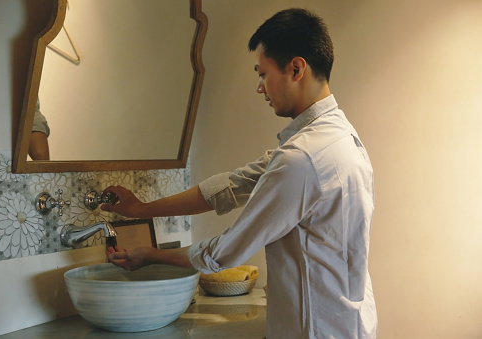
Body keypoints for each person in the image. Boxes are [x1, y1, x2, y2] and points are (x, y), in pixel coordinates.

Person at [103, 8, 377, 338]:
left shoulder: (302, 158)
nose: (260, 87)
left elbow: (225, 252)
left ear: (296, 68)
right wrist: (141, 210)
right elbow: (233, 185)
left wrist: (151, 256)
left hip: (315, 328)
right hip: (349, 323)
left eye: (262, 74)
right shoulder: (339, 137)